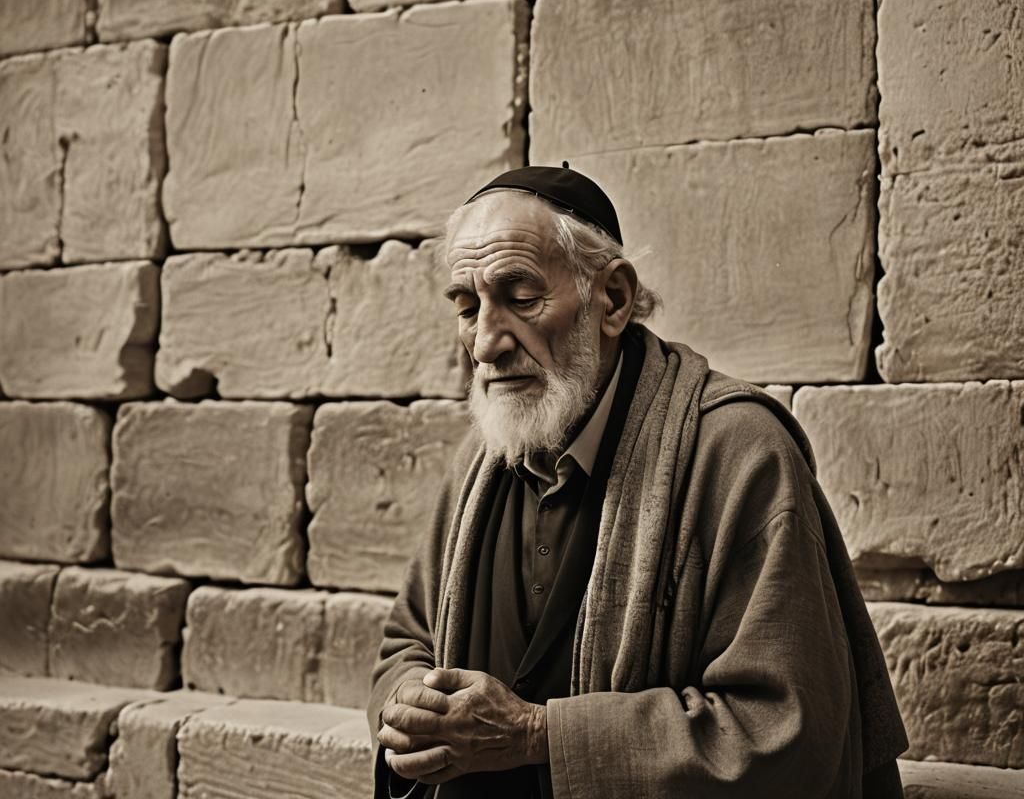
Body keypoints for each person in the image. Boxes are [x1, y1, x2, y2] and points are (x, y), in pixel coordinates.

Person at [367, 165, 907, 798]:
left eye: (520, 297)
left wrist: (537, 735)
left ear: (613, 300)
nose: (485, 343)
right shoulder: (482, 461)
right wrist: (409, 703)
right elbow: (408, 639)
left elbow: (785, 729)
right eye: (467, 306)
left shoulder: (736, 454)